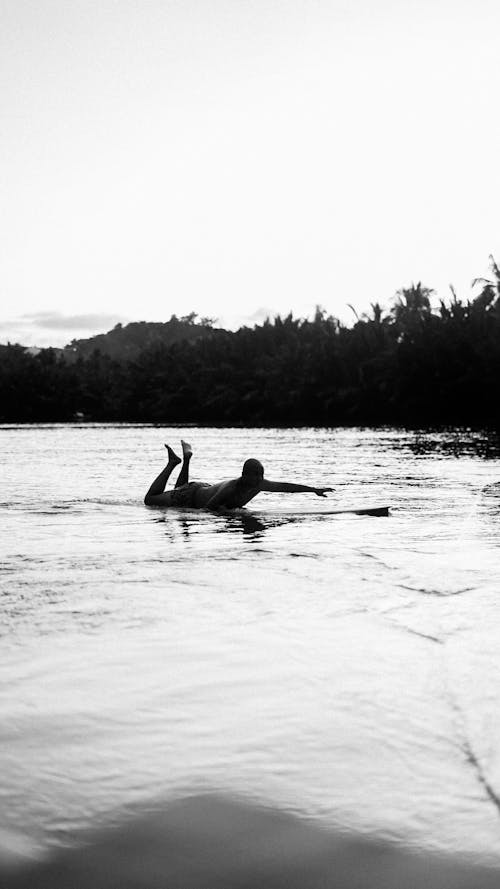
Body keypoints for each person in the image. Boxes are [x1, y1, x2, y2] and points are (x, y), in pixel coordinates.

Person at [144, 441, 333, 510]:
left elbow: (286, 487)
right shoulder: (232, 487)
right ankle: (173, 463)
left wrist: (314, 490)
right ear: (244, 475)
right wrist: (228, 513)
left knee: (178, 490)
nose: (260, 479)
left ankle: (185, 460)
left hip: (200, 489)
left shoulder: (258, 484)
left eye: (262, 475)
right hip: (192, 495)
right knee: (150, 500)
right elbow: (207, 510)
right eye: (256, 475)